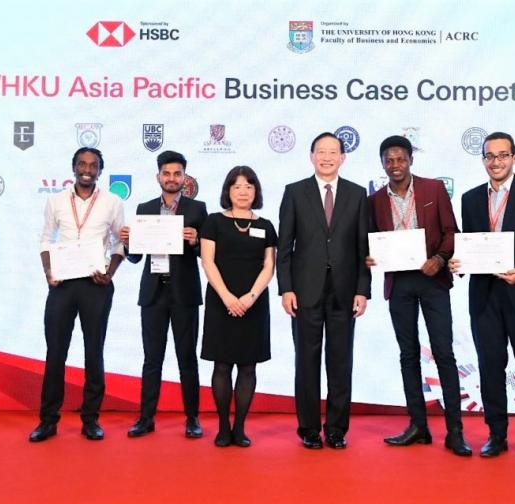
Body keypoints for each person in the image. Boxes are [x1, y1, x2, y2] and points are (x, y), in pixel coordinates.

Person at [449, 131, 515, 460]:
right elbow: (470, 245)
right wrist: (459, 263)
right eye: (490, 156)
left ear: (514, 158)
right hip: (484, 298)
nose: (495, 162)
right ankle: (497, 434)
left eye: (502, 155)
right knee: (490, 366)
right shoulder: (469, 199)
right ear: (483, 160)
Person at [366, 135, 471, 456]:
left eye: (400, 159)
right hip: (399, 284)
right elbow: (371, 240)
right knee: (408, 354)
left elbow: (452, 231)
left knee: (443, 352)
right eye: (389, 160)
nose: (395, 165)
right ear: (382, 164)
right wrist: (369, 256)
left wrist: (438, 258)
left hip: (433, 280)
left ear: (411, 159)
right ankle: (418, 426)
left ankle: (455, 431)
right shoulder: (374, 201)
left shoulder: (433, 189)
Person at [277, 132, 370, 450]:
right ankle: (308, 428)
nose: (327, 157)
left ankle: (336, 428)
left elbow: (362, 247)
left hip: (345, 292)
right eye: (321, 152)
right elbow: (284, 246)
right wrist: (285, 287)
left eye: (333, 152)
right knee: (307, 360)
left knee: (341, 361)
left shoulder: (358, 195)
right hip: (304, 291)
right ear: (311, 156)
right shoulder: (295, 192)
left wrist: (363, 289)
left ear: (343, 157)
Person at [29, 147, 125, 442]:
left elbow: (120, 243)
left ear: (100, 170)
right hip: (62, 284)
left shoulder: (113, 202)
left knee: (94, 351)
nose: (87, 169)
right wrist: (48, 272)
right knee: (55, 352)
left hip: (96, 284)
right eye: (82, 164)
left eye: (93, 165)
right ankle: (48, 420)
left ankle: (91, 419)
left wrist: (110, 272)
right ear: (73, 168)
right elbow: (46, 239)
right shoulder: (55, 200)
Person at [120, 150, 207, 439]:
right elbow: (134, 257)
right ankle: (146, 418)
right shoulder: (144, 208)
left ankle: (193, 418)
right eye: (166, 173)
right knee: (151, 358)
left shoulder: (197, 209)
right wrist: (128, 242)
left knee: (187, 358)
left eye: (177, 174)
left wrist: (196, 242)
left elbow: (207, 254)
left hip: (184, 292)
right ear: (158, 176)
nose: (172, 178)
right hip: (153, 292)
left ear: (185, 177)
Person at [200, 166, 277, 447]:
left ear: (255, 191)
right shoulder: (213, 222)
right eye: (237, 186)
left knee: (248, 367)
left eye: (249, 186)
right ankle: (223, 427)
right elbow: (208, 261)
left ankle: (240, 428)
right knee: (222, 365)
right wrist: (228, 297)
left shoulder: (265, 225)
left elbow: (269, 266)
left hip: (254, 303)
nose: (243, 191)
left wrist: (250, 296)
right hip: (221, 301)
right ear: (227, 191)